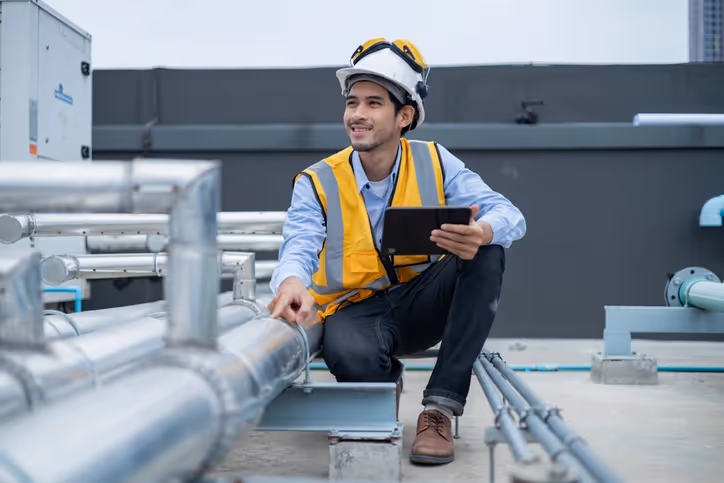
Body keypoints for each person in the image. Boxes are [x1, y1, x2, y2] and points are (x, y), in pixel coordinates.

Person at [268, 38, 526, 465]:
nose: (357, 115)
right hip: (356, 312)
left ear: (404, 116)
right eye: (352, 103)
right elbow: (299, 241)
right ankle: (383, 381)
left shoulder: (435, 161)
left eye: (373, 103)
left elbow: (509, 213)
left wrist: (481, 230)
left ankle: (439, 409)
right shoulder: (317, 180)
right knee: (351, 357)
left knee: (487, 250)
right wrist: (292, 281)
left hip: (423, 302)